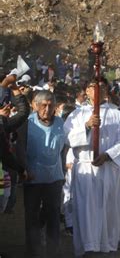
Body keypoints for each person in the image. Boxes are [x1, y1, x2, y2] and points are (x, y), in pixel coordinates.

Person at [63, 78, 120, 256]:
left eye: (101, 87)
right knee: (85, 208)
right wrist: (86, 126)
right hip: (85, 168)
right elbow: (67, 138)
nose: (97, 90)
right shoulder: (76, 115)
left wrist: (108, 155)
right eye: (92, 87)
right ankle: (87, 246)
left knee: (107, 207)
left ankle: (105, 244)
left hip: (107, 168)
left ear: (107, 90)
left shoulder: (117, 115)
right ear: (86, 91)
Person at [23, 90, 65, 256]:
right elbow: (20, 147)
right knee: (32, 216)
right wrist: (24, 168)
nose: (47, 109)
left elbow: (65, 146)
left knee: (53, 215)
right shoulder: (28, 123)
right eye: (43, 105)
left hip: (54, 178)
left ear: (55, 106)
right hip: (33, 177)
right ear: (35, 106)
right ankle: (33, 251)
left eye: (50, 105)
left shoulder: (61, 123)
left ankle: (53, 250)